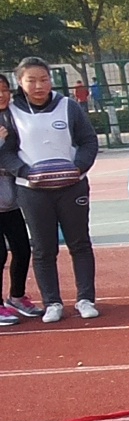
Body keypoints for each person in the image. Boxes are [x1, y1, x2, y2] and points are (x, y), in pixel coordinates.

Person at [2, 57, 100, 322]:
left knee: (80, 243)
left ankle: (86, 299)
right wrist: (25, 172)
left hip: (72, 187)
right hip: (32, 190)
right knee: (43, 248)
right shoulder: (11, 112)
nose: (39, 86)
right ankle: (52, 302)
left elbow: (88, 141)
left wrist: (78, 167)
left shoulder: (68, 106)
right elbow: (6, 152)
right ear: (19, 82)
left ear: (51, 80)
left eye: (44, 79)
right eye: (31, 80)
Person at [0, 83, 33, 323]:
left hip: (11, 199)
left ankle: (17, 296)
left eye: (4, 89)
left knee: (22, 249)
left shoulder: (15, 116)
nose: (1, 95)